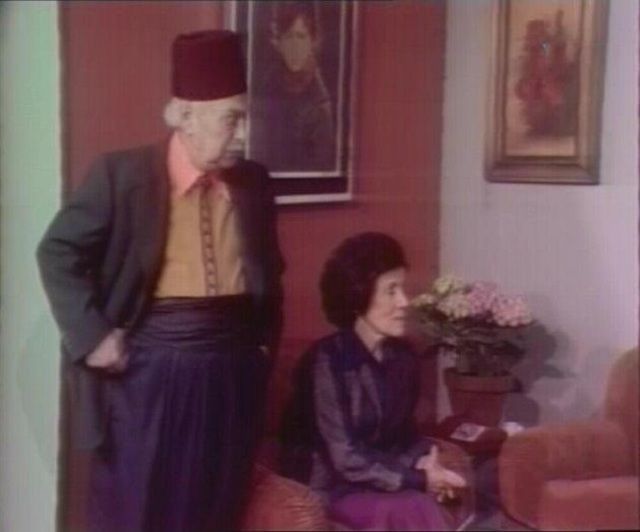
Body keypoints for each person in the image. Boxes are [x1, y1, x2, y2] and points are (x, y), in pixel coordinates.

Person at [36, 30, 284, 531]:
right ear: (187, 116)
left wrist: (260, 352)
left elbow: (270, 272)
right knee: (139, 510)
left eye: (244, 118)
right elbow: (57, 251)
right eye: (231, 119)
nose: (242, 134)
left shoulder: (254, 183)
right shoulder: (121, 176)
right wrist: (93, 337)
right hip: (150, 377)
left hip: (232, 373)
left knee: (216, 508)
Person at [280, 232, 466, 531]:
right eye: (391, 291)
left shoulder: (404, 357)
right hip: (332, 486)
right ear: (358, 296)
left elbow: (406, 436)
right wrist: (417, 479)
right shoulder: (326, 361)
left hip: (382, 481)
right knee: (412, 505)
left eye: (402, 289)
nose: (404, 302)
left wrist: (423, 461)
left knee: (425, 499)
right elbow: (343, 457)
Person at [251, 1, 335, 172]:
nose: (295, 47)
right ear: (278, 43)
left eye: (301, 37)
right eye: (289, 37)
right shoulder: (264, 91)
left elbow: (322, 168)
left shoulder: (321, 105)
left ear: (313, 41)